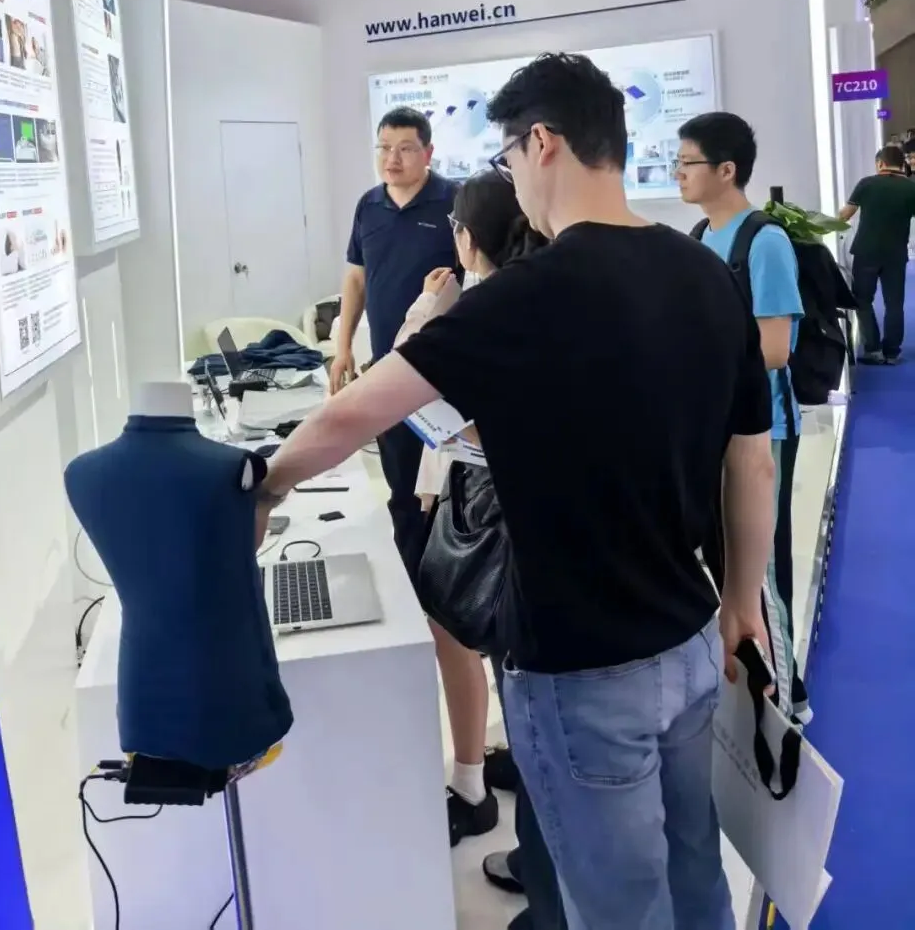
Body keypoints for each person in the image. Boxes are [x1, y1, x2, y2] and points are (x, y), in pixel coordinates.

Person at [262, 53, 775, 930]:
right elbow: (752, 460)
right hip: (691, 640)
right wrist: (743, 601)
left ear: (542, 142)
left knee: (619, 910)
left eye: (507, 155)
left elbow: (354, 412)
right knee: (697, 880)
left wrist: (263, 484)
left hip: (579, 668)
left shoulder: (524, 296)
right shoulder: (703, 273)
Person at [396, 174, 550, 858]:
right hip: (504, 496)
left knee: (463, 631)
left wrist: (427, 306)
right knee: (504, 645)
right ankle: (507, 766)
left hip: (485, 500)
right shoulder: (536, 296)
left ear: (465, 235)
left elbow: (403, 373)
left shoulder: (478, 308)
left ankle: (471, 786)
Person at [676, 112, 808, 723]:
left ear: (726, 170)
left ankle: (789, 700)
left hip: (764, 429)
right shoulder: (700, 235)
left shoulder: (765, 241)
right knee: (728, 562)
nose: (678, 173)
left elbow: (775, 348)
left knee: (762, 570)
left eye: (688, 163)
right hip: (713, 428)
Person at [330, 106, 456, 578]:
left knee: (444, 487)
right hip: (387, 369)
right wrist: (343, 347)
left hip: (443, 373)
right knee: (401, 486)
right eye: (384, 148)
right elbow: (356, 280)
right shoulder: (369, 205)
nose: (392, 159)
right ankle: (412, 583)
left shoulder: (454, 202)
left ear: (428, 152)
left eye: (405, 149)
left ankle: (449, 584)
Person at [840, 144, 915, 365]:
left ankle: (873, 349)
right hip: (896, 254)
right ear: (902, 164)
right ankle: (892, 353)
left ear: (880, 163)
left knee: (862, 300)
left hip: (866, 252)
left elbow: (845, 215)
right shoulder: (911, 188)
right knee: (894, 303)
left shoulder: (867, 184)